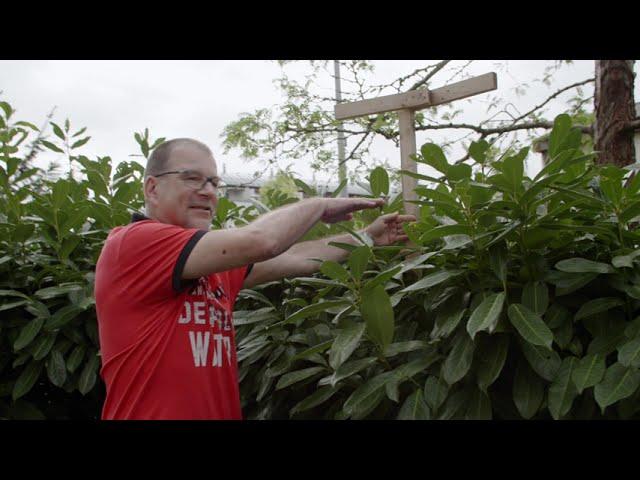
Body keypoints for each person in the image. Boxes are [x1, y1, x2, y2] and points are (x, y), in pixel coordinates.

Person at [95, 138, 415, 420]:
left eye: (213, 182)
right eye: (192, 178)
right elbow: (262, 241)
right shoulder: (135, 244)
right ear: (152, 188)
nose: (207, 191)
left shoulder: (209, 266)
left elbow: (294, 258)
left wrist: (366, 237)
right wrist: (319, 205)